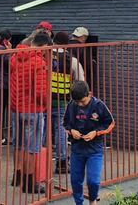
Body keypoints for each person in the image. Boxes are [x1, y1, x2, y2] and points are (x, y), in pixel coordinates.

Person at [9, 32, 51, 193]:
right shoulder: (39, 62)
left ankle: (17, 175)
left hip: (16, 107)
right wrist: (45, 104)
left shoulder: (15, 57)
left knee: (18, 144)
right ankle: (29, 183)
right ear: (44, 45)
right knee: (32, 147)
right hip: (33, 109)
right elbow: (40, 92)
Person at [64, 80, 114, 205]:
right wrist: (71, 130)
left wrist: (95, 133)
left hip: (94, 150)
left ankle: (92, 200)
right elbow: (65, 123)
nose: (80, 104)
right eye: (77, 102)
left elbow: (110, 123)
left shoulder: (99, 105)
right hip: (77, 150)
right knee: (75, 181)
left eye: (83, 101)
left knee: (93, 181)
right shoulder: (71, 105)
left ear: (89, 94)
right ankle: (78, 202)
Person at [51, 32, 86, 174]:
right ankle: (62, 163)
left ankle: (39, 164)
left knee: (41, 131)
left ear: (53, 41)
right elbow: (81, 81)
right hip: (62, 100)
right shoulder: (72, 60)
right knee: (61, 130)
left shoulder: (44, 55)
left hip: (42, 100)